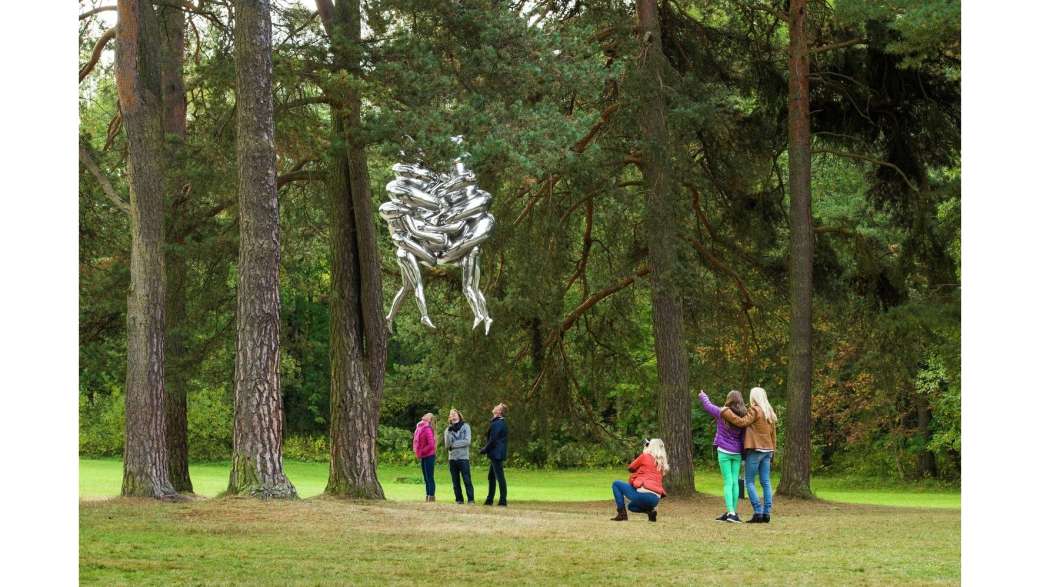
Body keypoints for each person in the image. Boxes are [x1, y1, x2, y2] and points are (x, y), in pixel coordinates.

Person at [698, 389, 755, 523]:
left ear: (729, 400)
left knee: (728, 482)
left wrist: (703, 395)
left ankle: (730, 512)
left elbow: (707, 406)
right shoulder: (744, 416)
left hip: (724, 451)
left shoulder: (722, 412)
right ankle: (733, 512)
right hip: (737, 453)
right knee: (734, 481)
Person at [610, 438, 669, 522]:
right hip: (655, 499)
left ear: (650, 447)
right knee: (631, 507)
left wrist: (644, 452)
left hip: (643, 495)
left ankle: (621, 514)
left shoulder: (645, 456)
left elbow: (631, 468)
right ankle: (651, 511)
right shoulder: (662, 464)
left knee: (616, 484)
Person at [743, 387, 778, 523]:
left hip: (756, 449)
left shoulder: (754, 410)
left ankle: (757, 511)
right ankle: (767, 513)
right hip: (768, 450)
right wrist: (773, 451)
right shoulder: (769, 412)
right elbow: (773, 435)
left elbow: (744, 422)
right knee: (765, 482)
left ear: (754, 397)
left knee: (750, 481)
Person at [479, 402, 508, 506]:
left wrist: (484, 449)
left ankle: (503, 500)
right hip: (496, 453)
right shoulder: (497, 422)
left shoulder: (498, 423)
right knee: (491, 476)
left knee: (499, 477)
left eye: (497, 406)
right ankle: (489, 499)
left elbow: (493, 439)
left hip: (496, 454)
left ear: (499, 412)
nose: (494, 406)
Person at [444, 408, 475, 504]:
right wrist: (449, 434)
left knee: (467, 480)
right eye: (451, 414)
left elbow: (467, 441)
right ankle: (459, 499)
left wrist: (453, 445)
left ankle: (471, 499)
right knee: (455, 481)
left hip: (463, 458)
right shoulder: (447, 430)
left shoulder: (466, 426)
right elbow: (447, 445)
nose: (453, 415)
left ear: (458, 415)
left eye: (454, 414)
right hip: (452, 459)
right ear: (449, 417)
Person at [413, 413, 437, 501]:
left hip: (429, 456)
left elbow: (431, 445)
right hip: (423, 456)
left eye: (428, 415)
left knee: (430, 477)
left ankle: (431, 496)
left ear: (429, 419)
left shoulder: (427, 428)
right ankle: (427, 495)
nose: (425, 415)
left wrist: (421, 451)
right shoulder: (419, 427)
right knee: (426, 477)